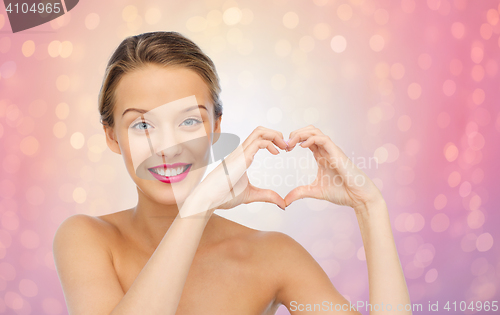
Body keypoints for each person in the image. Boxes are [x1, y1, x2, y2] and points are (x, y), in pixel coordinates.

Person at [53, 31, 412, 315]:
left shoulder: (272, 255)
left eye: (189, 121)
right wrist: (196, 209)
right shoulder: (87, 239)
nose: (167, 147)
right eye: (143, 125)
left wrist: (370, 208)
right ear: (111, 135)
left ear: (215, 129)